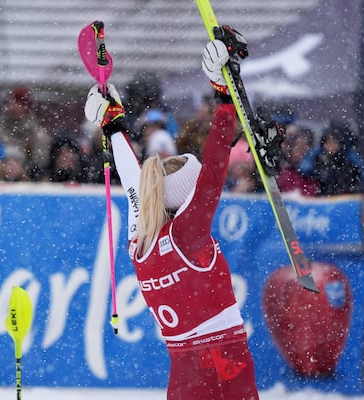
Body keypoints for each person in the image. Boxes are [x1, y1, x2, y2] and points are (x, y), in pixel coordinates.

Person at [83, 36, 259, 400]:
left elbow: (136, 182)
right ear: (183, 197)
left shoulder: (142, 241)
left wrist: (112, 124)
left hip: (185, 372)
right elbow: (211, 172)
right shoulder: (186, 233)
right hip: (224, 367)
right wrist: (224, 98)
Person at [0, 85, 52, 181]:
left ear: (26, 107)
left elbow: (41, 164)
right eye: (11, 102)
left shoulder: (37, 135)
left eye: (18, 103)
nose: (12, 106)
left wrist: (27, 159)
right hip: (0, 180)